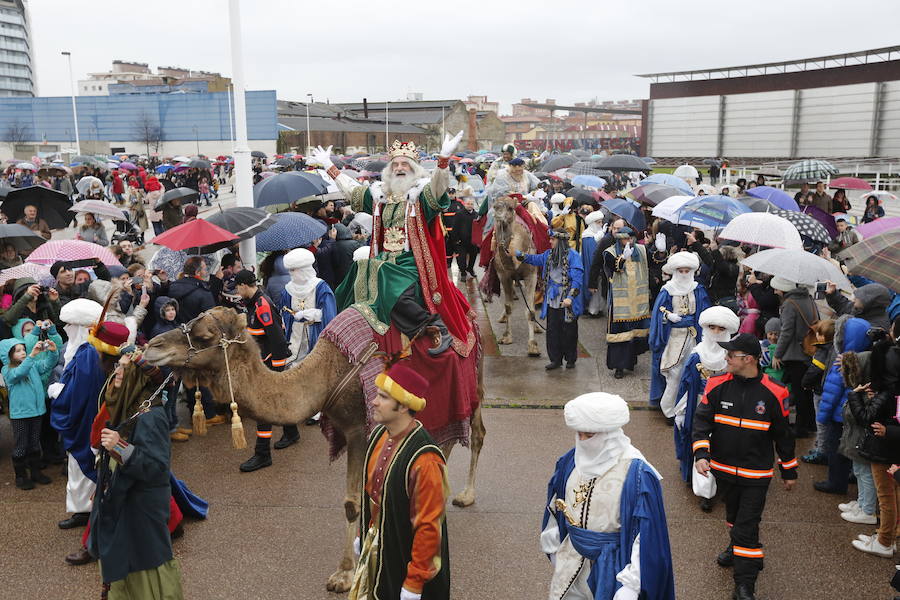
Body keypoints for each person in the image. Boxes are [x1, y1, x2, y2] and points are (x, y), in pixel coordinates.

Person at [311, 135, 474, 357]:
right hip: (384, 260)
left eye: (405, 164)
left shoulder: (421, 195)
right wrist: (330, 166)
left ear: (414, 168)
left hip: (411, 262)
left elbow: (438, 188)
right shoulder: (380, 196)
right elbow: (353, 191)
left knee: (390, 285)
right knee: (353, 277)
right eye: (395, 164)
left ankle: (434, 326)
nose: (399, 168)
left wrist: (443, 161)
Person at [692, 333, 797, 600]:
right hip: (724, 470)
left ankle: (745, 585)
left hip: (756, 474)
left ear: (747, 359)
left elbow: (783, 435)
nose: (725, 358)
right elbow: (701, 423)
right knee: (733, 517)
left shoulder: (776, 391)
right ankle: (735, 545)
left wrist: (789, 470)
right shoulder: (716, 385)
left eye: (730, 355)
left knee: (747, 527)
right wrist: (702, 454)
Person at [541, 392, 675, 600]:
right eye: (579, 434)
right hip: (570, 561)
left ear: (609, 432)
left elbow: (646, 536)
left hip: (614, 568)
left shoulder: (637, 474)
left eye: (590, 435)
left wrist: (631, 584)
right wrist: (553, 547)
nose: (583, 441)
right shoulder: (569, 461)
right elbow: (555, 507)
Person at [349, 361, 450, 600]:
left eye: (383, 397)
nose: (374, 401)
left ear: (403, 405)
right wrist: (363, 535)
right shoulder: (378, 436)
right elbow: (372, 498)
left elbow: (429, 527)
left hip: (404, 558)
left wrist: (414, 584)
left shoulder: (425, 460)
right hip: (378, 548)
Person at [88, 354, 184, 599]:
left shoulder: (151, 416)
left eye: (123, 368)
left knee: (142, 564)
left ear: (139, 379)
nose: (116, 371)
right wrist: (102, 486)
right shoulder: (127, 405)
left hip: (141, 510)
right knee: (123, 562)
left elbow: (157, 468)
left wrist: (120, 447)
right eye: (117, 366)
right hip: (124, 504)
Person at [51, 319, 130, 538]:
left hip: (95, 424)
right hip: (101, 423)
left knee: (90, 467)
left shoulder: (88, 355)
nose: (67, 329)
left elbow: (78, 392)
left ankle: (89, 514)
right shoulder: (96, 354)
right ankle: (86, 511)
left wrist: (60, 396)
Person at [234, 270, 296, 471]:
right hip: (264, 360)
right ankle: (291, 431)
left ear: (244, 285)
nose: (236, 291)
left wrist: (276, 370)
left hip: (270, 363)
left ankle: (262, 454)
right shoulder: (253, 304)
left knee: (263, 408)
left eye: (237, 287)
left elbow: (277, 337)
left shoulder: (262, 306)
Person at [673, 307, 739, 492]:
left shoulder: (734, 356)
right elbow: (686, 386)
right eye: (712, 327)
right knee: (702, 444)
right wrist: (682, 410)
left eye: (721, 329)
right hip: (699, 408)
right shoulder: (697, 355)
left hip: (729, 409)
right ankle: (705, 492)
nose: (716, 333)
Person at [650, 251, 711, 419]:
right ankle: (668, 409)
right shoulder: (667, 290)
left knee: (690, 372)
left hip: (692, 337)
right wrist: (667, 316)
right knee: (674, 374)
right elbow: (658, 313)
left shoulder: (698, 290)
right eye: (681, 271)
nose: (684, 274)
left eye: (687, 271)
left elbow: (705, 312)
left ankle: (684, 408)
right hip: (672, 337)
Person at [514, 230, 584, 370]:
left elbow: (577, 280)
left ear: (560, 241)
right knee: (552, 330)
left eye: (553, 239)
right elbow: (534, 259)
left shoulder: (573, 256)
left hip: (567, 302)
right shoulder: (548, 255)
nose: (550, 241)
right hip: (552, 300)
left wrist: (570, 298)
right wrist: (518, 254)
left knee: (569, 332)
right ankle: (555, 359)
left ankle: (570, 359)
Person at [0, 335, 59, 489]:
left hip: (36, 412)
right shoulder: (7, 370)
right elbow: (18, 373)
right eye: (18, 351)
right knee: (21, 445)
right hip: (20, 415)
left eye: (23, 349)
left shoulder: (31, 364)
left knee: (34, 444)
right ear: (8, 355)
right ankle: (20, 476)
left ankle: (35, 472)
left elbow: (47, 365)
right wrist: (32, 356)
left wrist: (53, 352)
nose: (23, 352)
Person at [770, 276, 818, 438]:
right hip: (808, 351)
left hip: (794, 354)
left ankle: (800, 427)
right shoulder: (808, 299)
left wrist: (778, 354)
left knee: (798, 393)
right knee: (807, 391)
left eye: (776, 289)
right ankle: (810, 424)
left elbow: (786, 332)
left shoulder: (790, 304)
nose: (775, 291)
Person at [602, 226, 650, 379]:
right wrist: (623, 258)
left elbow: (655, 261)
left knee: (633, 335)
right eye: (624, 239)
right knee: (620, 336)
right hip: (620, 303)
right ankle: (619, 367)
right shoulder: (610, 252)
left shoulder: (641, 250)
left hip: (637, 300)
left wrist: (661, 252)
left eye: (630, 238)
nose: (628, 241)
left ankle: (630, 362)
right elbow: (613, 266)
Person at [279, 248, 337, 366]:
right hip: (295, 337)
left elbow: (329, 314)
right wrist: (291, 316)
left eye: (293, 270)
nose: (291, 273)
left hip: (315, 334)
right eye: (290, 270)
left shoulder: (321, 287)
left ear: (303, 270)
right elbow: (284, 311)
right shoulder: (287, 290)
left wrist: (310, 314)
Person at [450, 196, 479, 282]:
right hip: (461, 241)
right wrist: (455, 240)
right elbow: (454, 228)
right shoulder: (459, 214)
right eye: (468, 204)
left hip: (473, 241)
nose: (470, 205)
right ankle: (463, 272)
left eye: (471, 204)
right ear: (464, 204)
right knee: (461, 259)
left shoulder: (476, 215)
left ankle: (470, 269)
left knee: (473, 257)